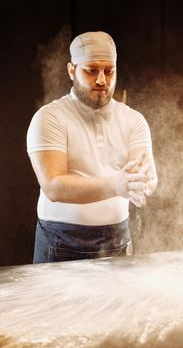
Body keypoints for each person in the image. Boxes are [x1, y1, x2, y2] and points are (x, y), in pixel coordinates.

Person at [26, 31, 157, 263]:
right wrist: (116, 184)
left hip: (117, 239)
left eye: (109, 71)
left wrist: (143, 182)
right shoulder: (49, 117)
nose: (101, 80)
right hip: (60, 242)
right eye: (91, 70)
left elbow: (146, 174)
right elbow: (54, 186)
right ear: (71, 70)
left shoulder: (133, 120)